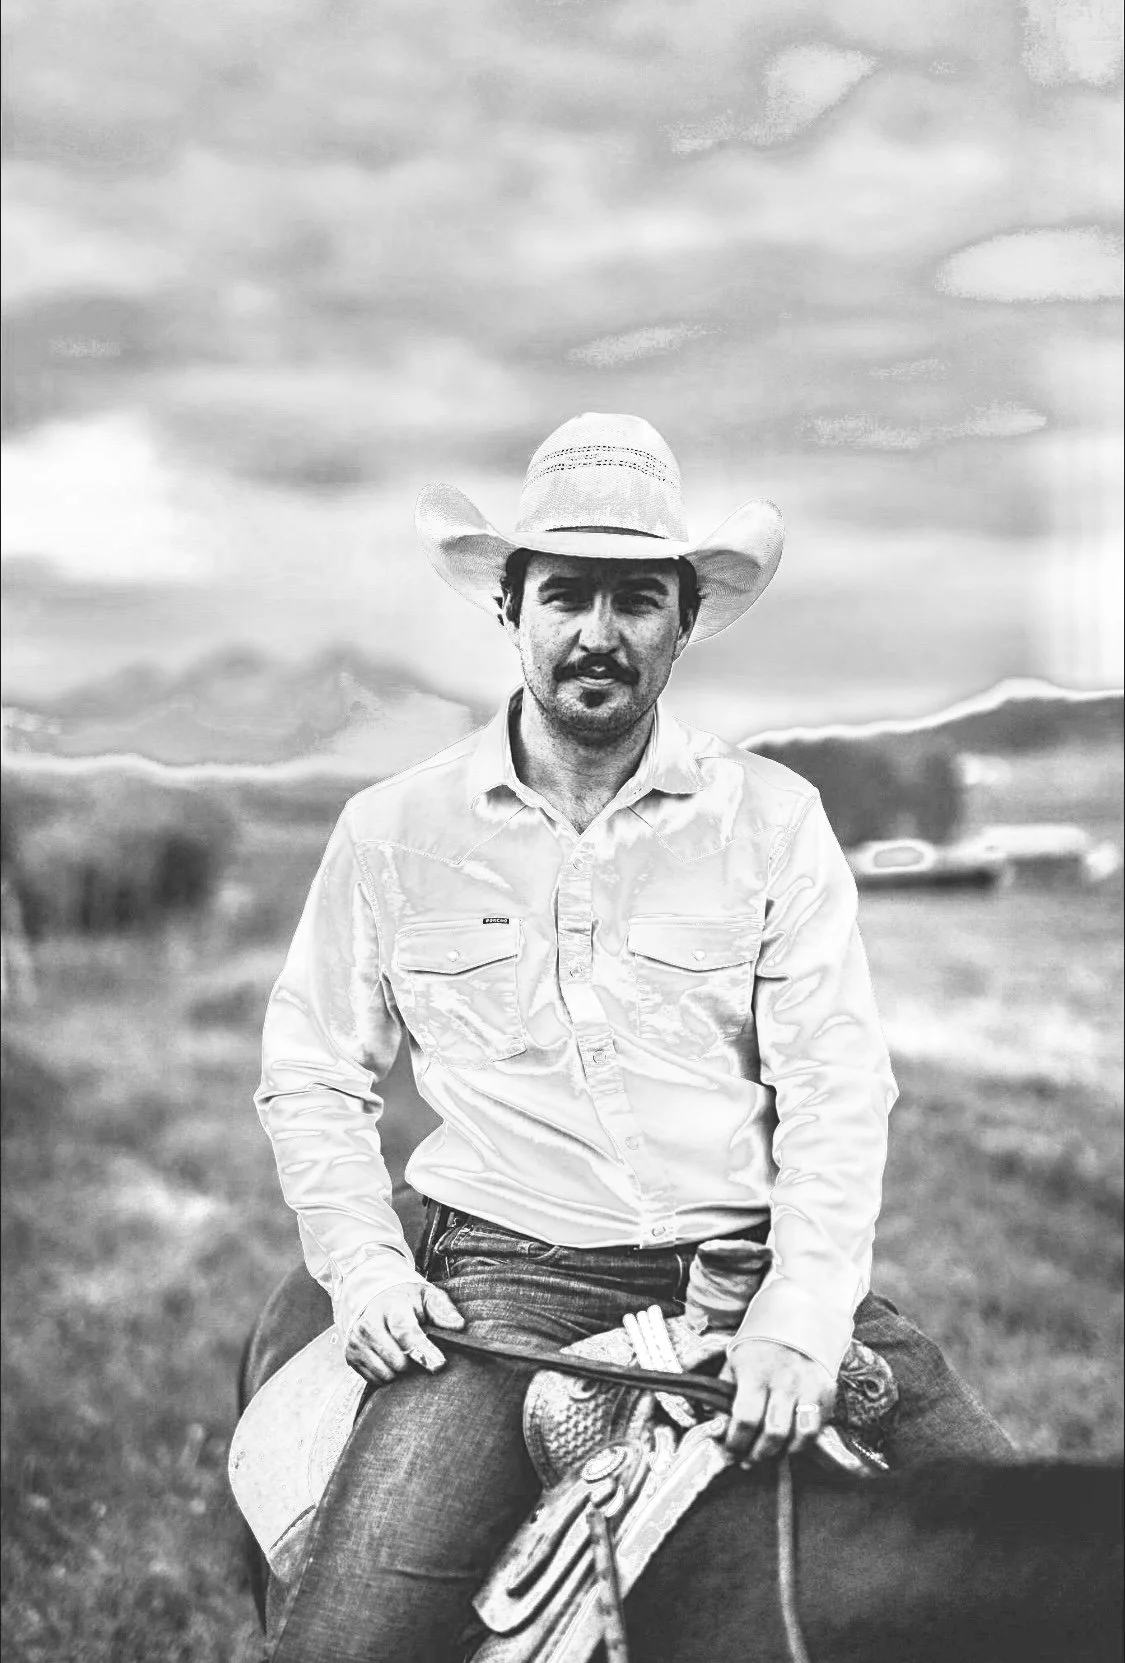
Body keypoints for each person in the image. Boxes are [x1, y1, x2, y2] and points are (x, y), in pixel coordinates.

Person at [253, 412, 1012, 1662]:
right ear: (511, 605)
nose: (599, 633)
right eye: (567, 594)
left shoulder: (773, 821)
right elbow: (313, 1071)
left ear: (685, 618)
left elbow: (835, 1084)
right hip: (506, 1286)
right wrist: (368, 1270)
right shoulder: (392, 830)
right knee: (347, 1646)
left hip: (747, 1274)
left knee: (1040, 1577)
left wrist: (804, 1310)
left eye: (637, 600)